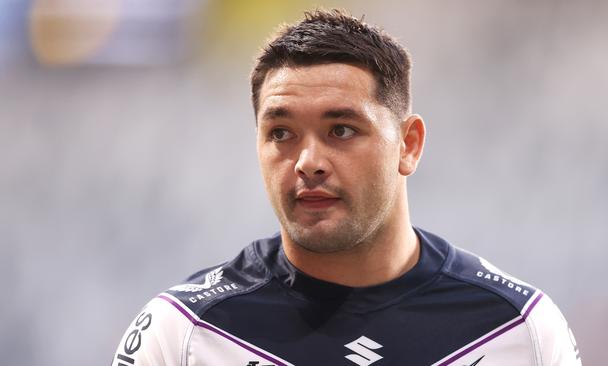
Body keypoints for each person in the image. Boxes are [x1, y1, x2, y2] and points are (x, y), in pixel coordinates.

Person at [112, 9, 581, 366]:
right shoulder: (183, 333)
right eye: (281, 133)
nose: (308, 162)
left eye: (341, 130)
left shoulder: (519, 329)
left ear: (409, 145)